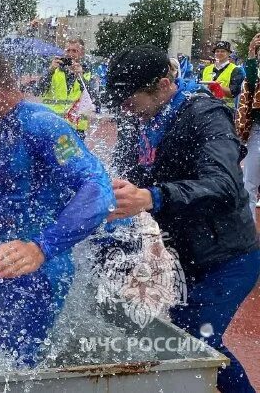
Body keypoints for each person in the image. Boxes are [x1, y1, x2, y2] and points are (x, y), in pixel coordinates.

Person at [104, 45, 260, 393]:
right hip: (185, 256)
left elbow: (224, 186)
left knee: (195, 337)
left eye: (130, 101)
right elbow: (125, 177)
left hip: (230, 256)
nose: (125, 111)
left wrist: (153, 196)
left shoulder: (206, 115)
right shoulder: (138, 120)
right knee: (179, 337)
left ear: (162, 85)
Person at [0, 46, 115, 366]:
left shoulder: (42, 126)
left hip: (36, 272)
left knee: (9, 369)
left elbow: (97, 189)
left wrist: (41, 247)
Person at [38, 38, 98, 139]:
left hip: (76, 126)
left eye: (75, 51)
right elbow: (38, 90)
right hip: (53, 123)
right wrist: (50, 71)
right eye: (68, 50)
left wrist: (80, 77)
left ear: (82, 53)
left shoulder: (87, 73)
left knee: (75, 155)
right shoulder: (54, 69)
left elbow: (93, 98)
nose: (70, 54)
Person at [237, 32, 260, 215]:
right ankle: (250, 236)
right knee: (249, 184)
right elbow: (251, 81)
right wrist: (252, 53)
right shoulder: (256, 73)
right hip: (258, 132)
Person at [199, 41, 245, 106]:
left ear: (229, 53)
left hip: (225, 108)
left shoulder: (236, 70)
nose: (219, 53)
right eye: (217, 51)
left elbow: (233, 93)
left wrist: (217, 86)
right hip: (205, 106)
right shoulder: (205, 69)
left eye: (223, 51)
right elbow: (198, 87)